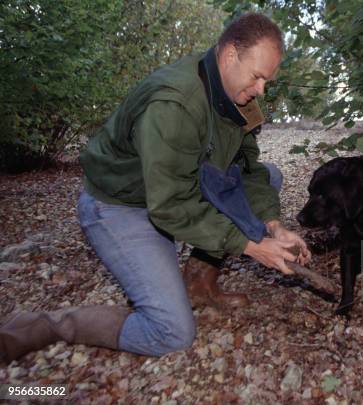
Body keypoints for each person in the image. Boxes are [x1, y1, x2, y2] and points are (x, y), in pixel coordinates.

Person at [0, 13, 311, 363]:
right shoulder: (175, 103)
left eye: (266, 80)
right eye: (257, 77)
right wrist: (251, 245)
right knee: (172, 333)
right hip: (122, 205)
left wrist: (272, 224)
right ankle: (46, 326)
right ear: (228, 55)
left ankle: (198, 284)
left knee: (270, 176)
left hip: (176, 189)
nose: (260, 90)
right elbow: (170, 205)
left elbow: (249, 170)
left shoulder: (239, 96)